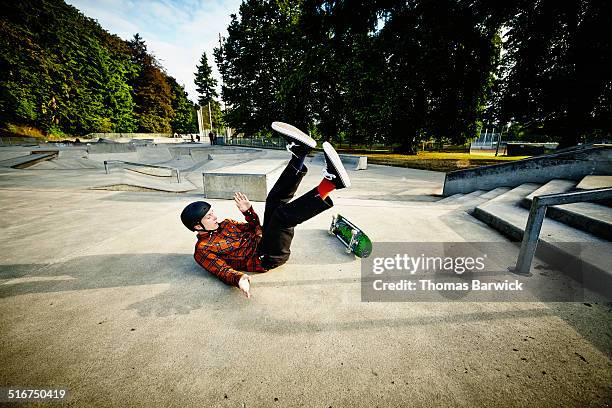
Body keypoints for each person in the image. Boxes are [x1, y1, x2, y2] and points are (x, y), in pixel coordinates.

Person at [180, 122, 351, 298]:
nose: (215, 217)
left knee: (274, 201)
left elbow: (257, 228)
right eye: (209, 217)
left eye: (212, 213)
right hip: (266, 258)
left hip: (264, 240)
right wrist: (239, 279)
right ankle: (330, 183)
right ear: (198, 226)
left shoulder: (227, 224)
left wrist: (249, 212)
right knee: (282, 218)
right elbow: (221, 270)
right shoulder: (203, 249)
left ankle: (299, 155)